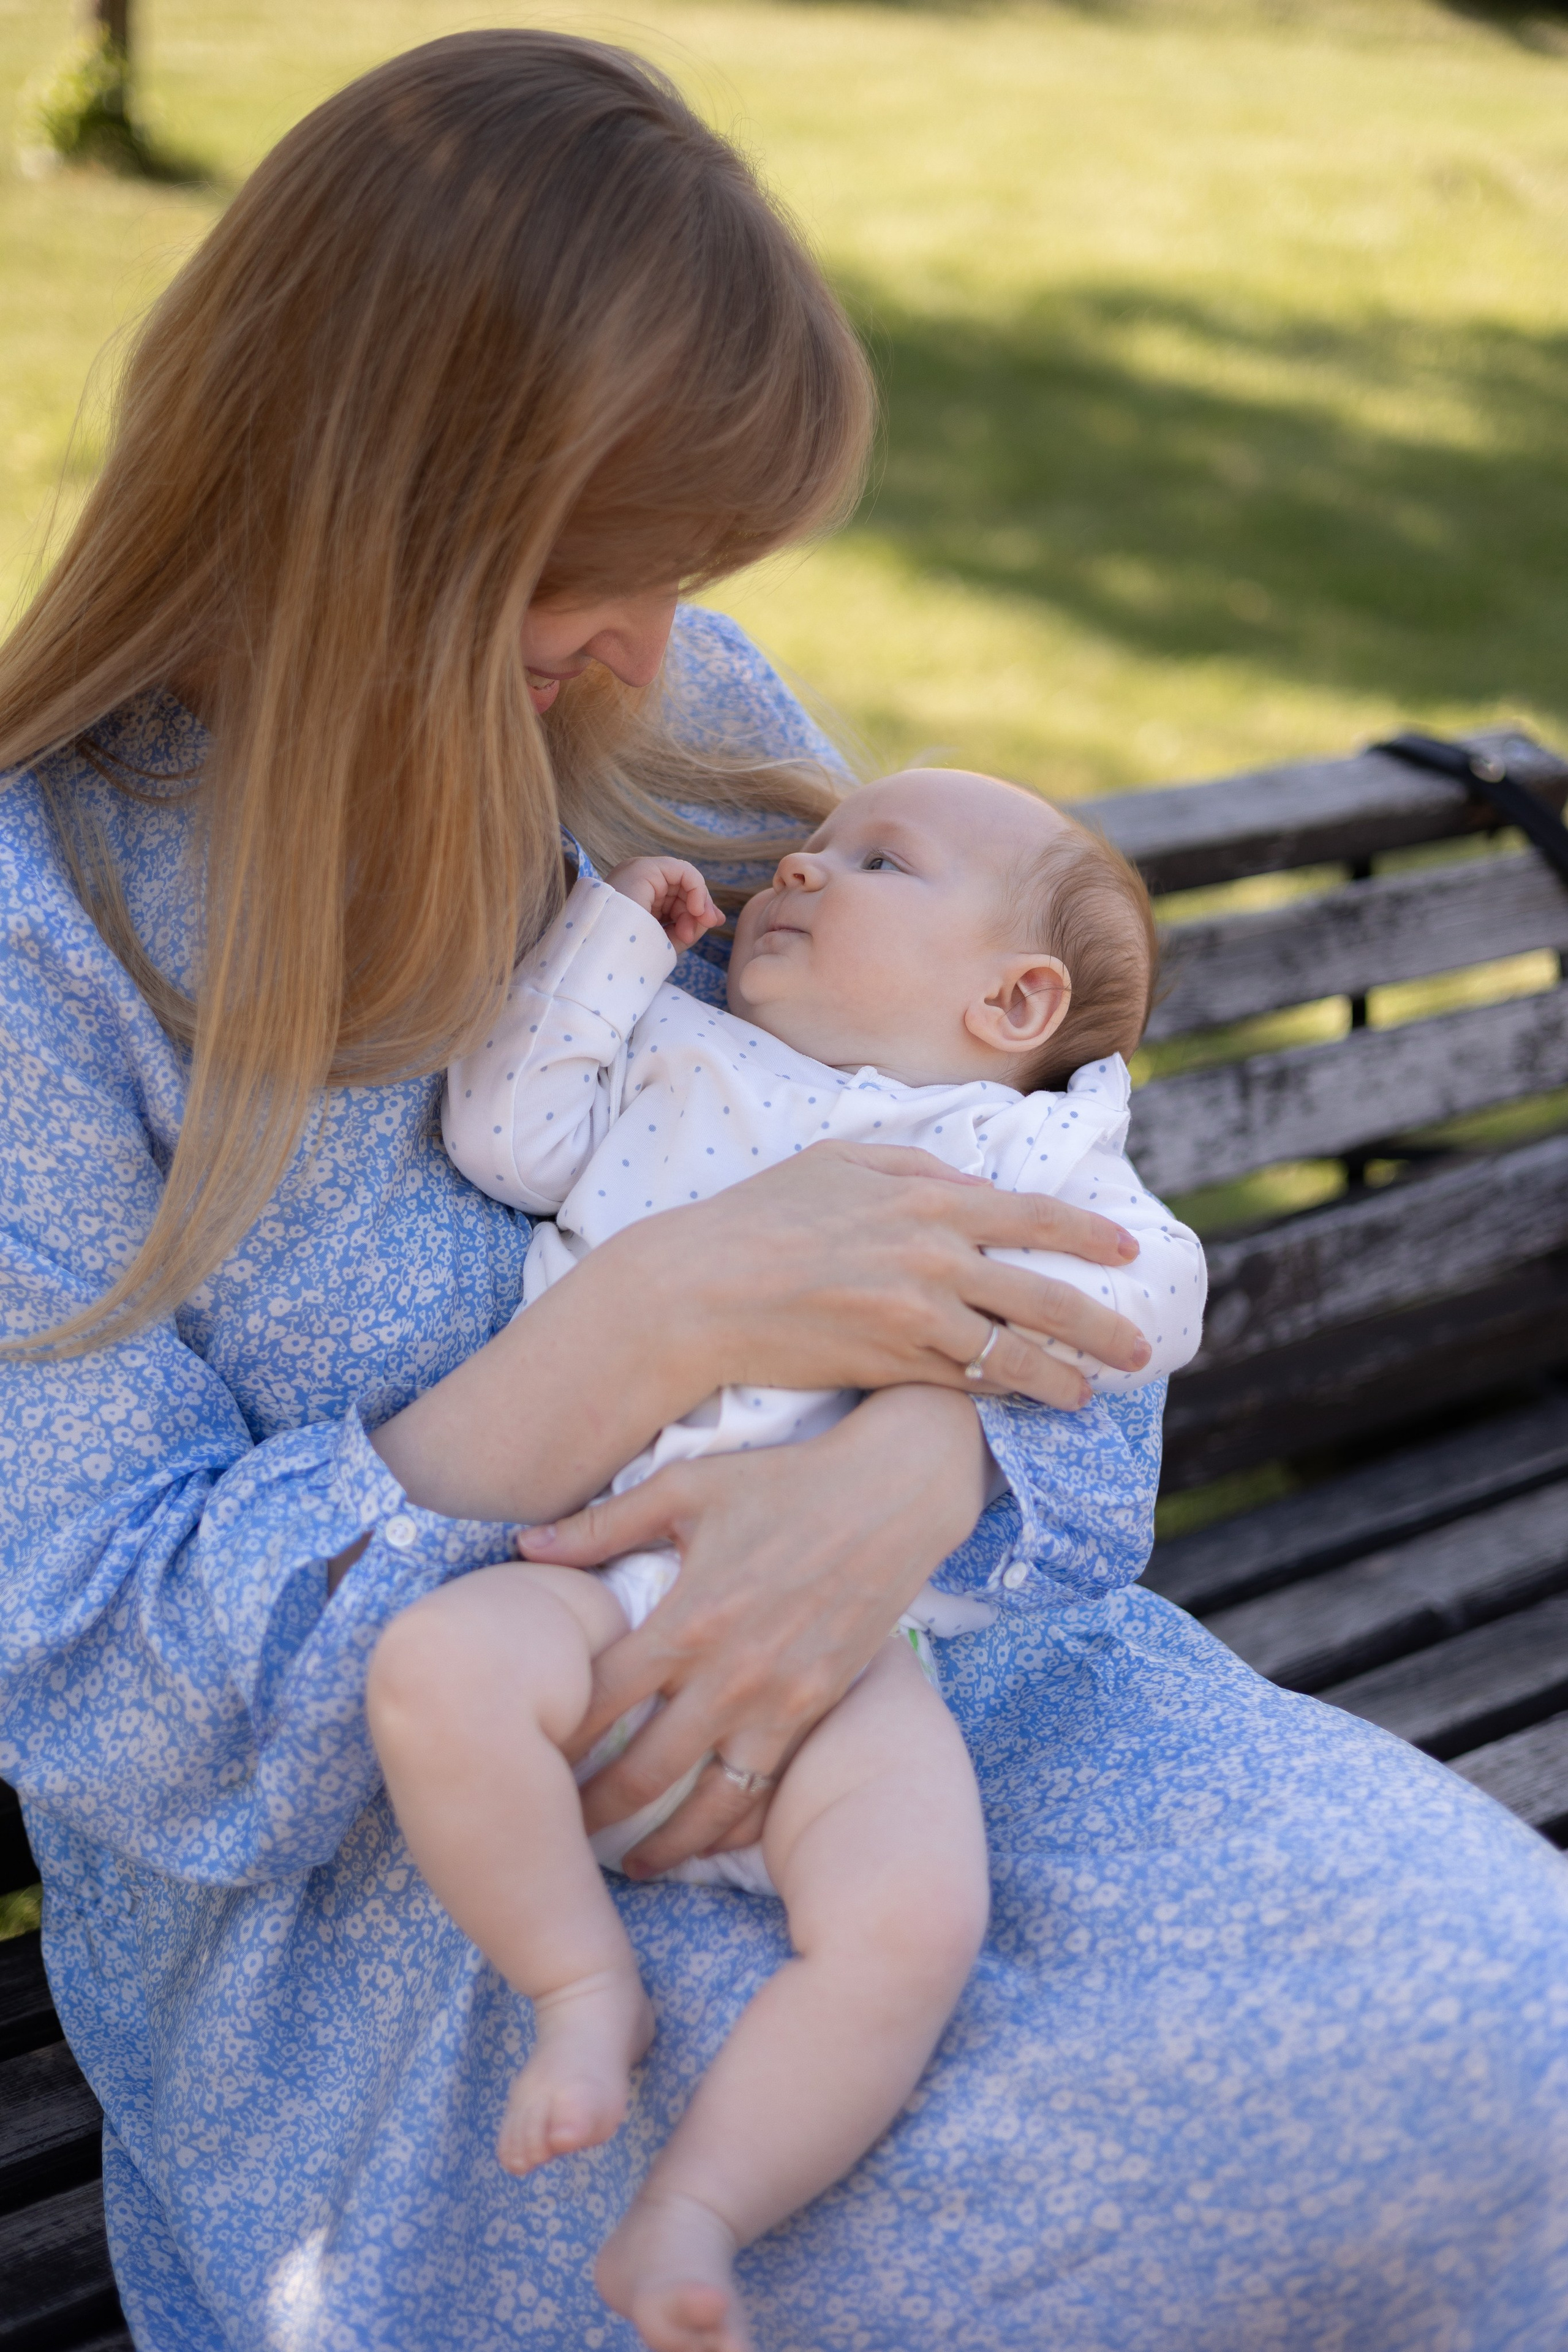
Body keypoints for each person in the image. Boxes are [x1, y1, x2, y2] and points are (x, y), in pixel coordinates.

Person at [1, 30, 1565, 2352]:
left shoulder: (680, 713)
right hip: (431, 1902)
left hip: (917, 1703)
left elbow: (1021, 1185)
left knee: (1498, 2021)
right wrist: (651, 1326)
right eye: (603, 568)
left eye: (693, 572)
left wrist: (911, 1474)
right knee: (1018, 2248)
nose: (657, 646)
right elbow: (95, 1674)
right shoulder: (43, 945)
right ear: (376, 511)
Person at [379, 768, 1205, 2351]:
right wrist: (608, 948)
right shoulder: (680, 1054)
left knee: (914, 1922)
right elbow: (505, 1137)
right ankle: (578, 1986)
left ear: (1015, 1001)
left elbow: (1151, 1295)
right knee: (435, 1672)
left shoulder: (1016, 1148)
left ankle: (700, 2210)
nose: (802, 872)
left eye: (875, 862)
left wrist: (976, 1343)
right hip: (593, 1568)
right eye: (812, 850)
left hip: (842, 1654)